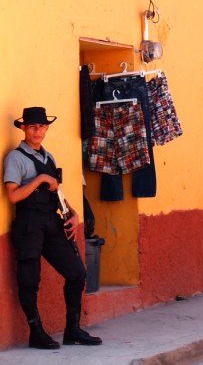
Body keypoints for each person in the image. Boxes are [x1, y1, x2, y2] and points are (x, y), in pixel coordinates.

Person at [4, 107, 102, 349]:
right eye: (32, 126)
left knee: (77, 272)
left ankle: (73, 330)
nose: (37, 131)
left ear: (46, 129)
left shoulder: (49, 158)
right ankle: (35, 333)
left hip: (52, 221)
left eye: (42, 126)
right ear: (24, 128)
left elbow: (56, 191)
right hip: (29, 224)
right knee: (29, 279)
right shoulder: (15, 158)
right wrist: (39, 180)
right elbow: (13, 196)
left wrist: (72, 213)